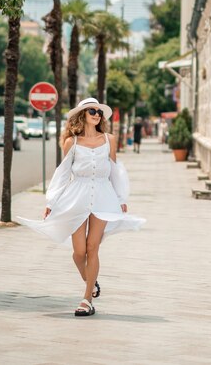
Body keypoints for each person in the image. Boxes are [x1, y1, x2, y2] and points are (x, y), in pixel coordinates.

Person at [17, 97, 145, 317]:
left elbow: (115, 170)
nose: (97, 115)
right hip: (76, 196)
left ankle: (86, 300)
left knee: (93, 247)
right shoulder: (71, 143)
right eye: (92, 111)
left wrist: (121, 197)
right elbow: (63, 173)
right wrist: (51, 201)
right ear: (83, 115)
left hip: (103, 197)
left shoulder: (109, 140)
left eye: (99, 112)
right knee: (79, 252)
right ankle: (91, 281)